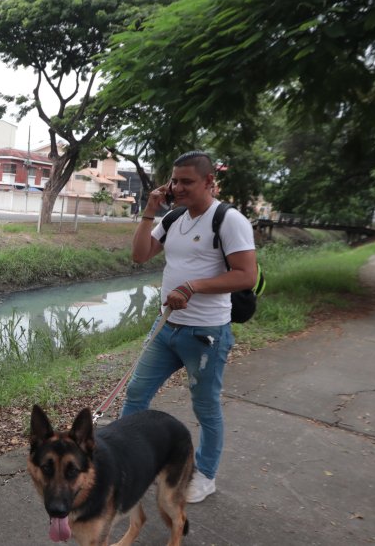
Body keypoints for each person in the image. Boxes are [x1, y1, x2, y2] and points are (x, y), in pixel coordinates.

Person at [125, 150, 257, 503]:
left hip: (205, 334)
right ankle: (128, 460)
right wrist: (149, 211)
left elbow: (247, 275)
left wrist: (192, 286)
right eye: (175, 181)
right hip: (166, 328)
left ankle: (206, 474)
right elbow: (139, 255)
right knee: (136, 393)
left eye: (187, 181)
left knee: (205, 407)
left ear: (209, 182)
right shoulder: (173, 218)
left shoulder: (228, 220)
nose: (178, 188)